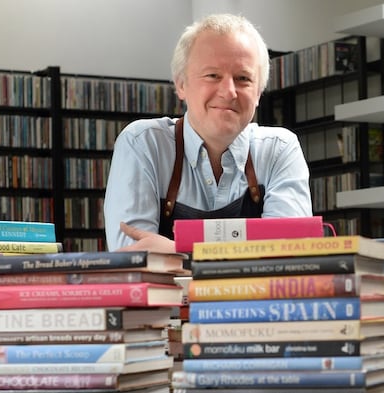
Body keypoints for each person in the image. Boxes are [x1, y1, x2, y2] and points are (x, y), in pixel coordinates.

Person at [104, 13, 313, 252]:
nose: (229, 91)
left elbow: (290, 256)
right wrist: (251, 254)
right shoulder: (143, 144)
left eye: (243, 78)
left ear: (258, 93)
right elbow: (135, 260)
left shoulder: (279, 149)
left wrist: (174, 251)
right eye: (213, 75)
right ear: (181, 85)